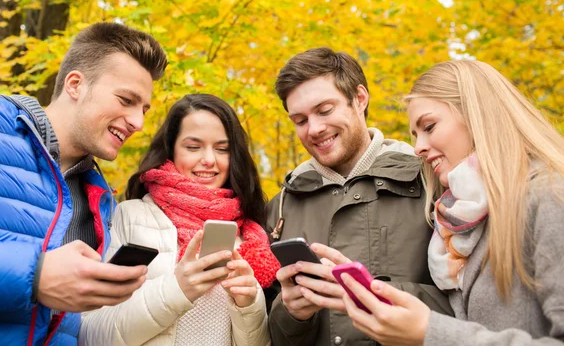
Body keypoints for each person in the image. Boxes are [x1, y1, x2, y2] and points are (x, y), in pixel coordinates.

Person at [0, 22, 168, 346]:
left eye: (143, 109)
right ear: (75, 84)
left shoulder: (101, 204)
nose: (138, 123)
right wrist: (35, 275)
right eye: (126, 100)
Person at [339, 60, 564, 345]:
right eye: (415, 135)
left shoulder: (551, 196)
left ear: (477, 114)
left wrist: (430, 333)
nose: (418, 147)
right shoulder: (461, 222)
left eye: (429, 126)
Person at [265, 47, 452, 346]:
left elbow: (472, 307)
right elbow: (272, 333)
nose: (314, 129)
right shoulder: (281, 206)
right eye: (300, 120)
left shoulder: (433, 182)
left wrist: (366, 292)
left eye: (325, 110)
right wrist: (292, 313)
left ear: (360, 98)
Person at [81, 94, 277, 346]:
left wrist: (250, 305)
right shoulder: (129, 217)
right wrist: (176, 289)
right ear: (171, 150)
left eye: (222, 149)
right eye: (193, 147)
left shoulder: (249, 234)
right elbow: (91, 334)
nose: (209, 159)